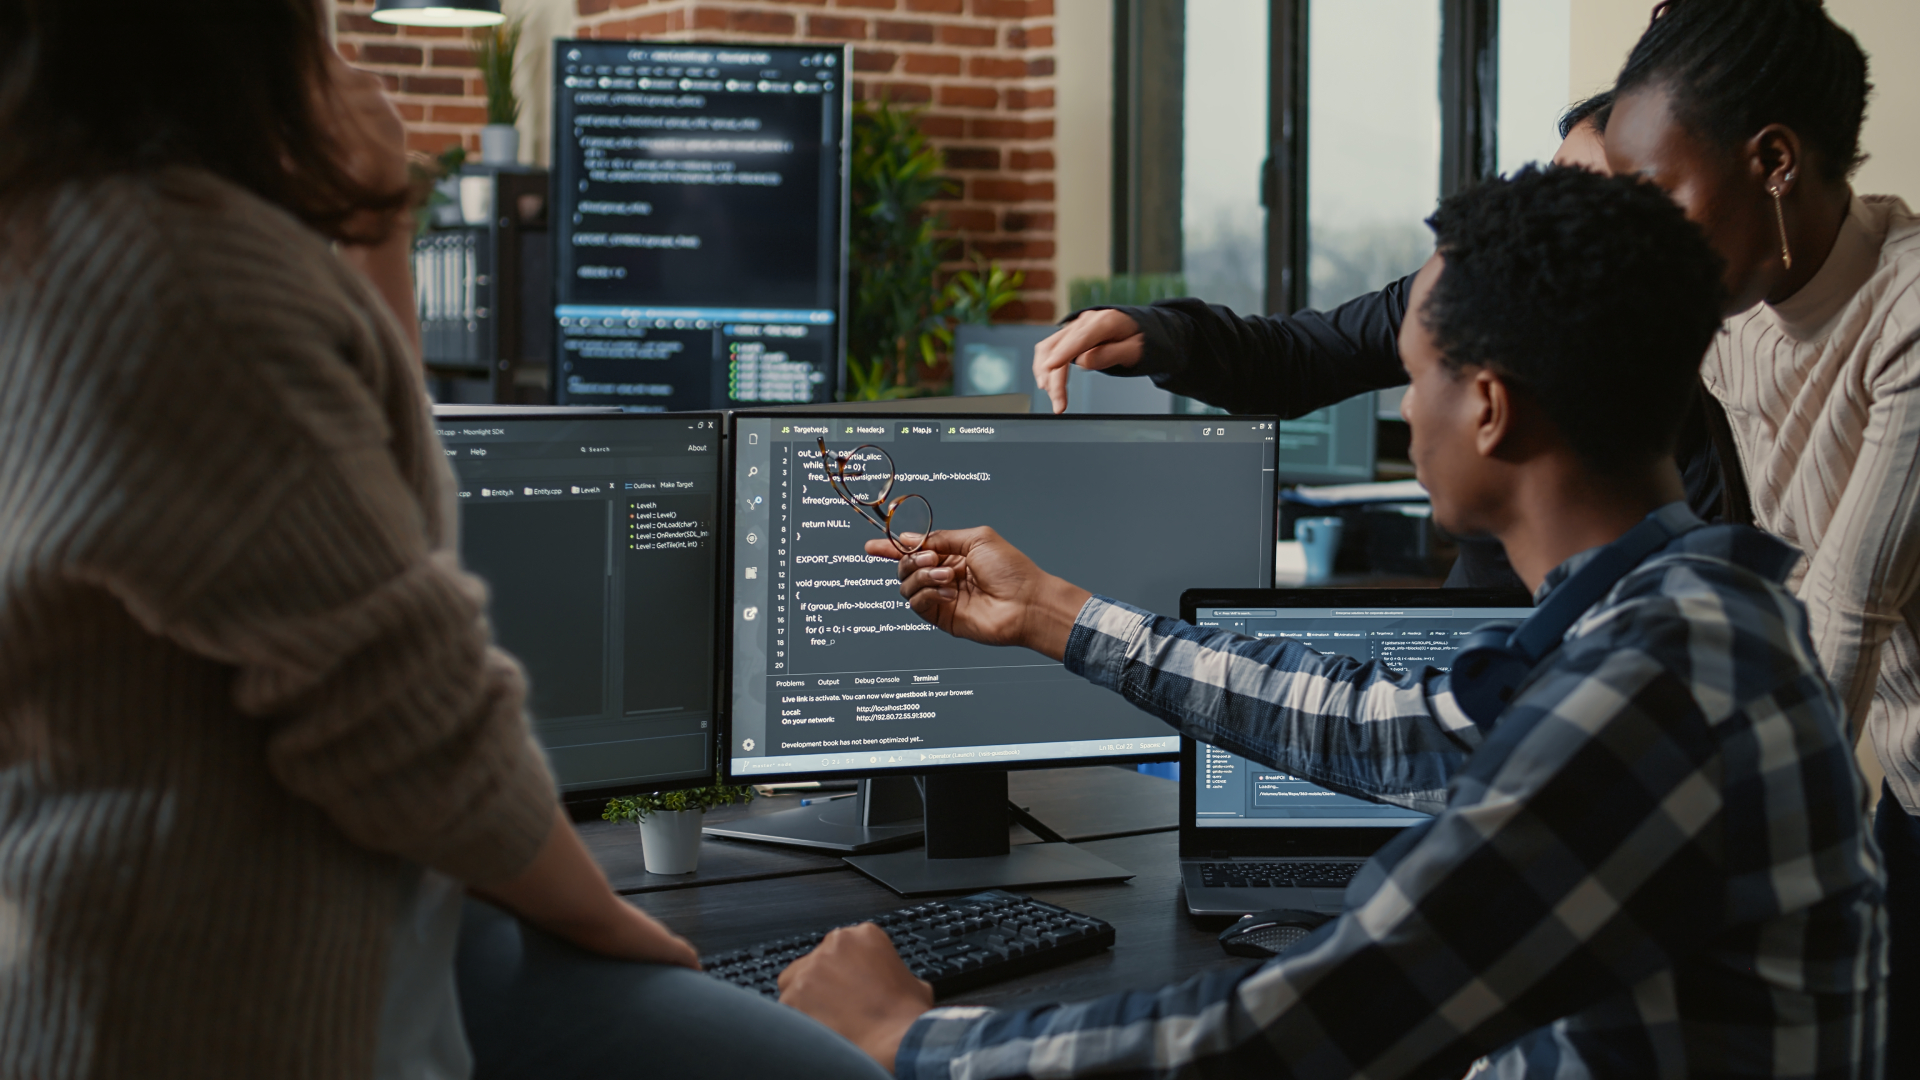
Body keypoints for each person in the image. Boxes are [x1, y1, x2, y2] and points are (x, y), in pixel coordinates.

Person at [780, 167, 1885, 1078]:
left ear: (1488, 408)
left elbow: (1303, 1031)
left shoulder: (1656, 694)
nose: (1402, 407)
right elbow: (1382, 726)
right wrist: (1052, 614)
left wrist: (908, 1040)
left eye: (1411, 376)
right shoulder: (1681, 619)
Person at [0, 2, 889, 1077]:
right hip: (218, 983)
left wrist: (375, 225)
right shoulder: (187, 274)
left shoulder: (91, 233)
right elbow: (415, 718)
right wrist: (614, 927)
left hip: (333, 915)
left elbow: (389, 496)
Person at [1031, 93, 1748, 592]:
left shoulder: (1717, 384)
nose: (1548, 218)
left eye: (1589, 199)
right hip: (1473, 653)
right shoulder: (1476, 291)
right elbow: (1297, 356)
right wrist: (1159, 335)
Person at [1598, 0, 1920, 1060]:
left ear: (1774, 160)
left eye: (1657, 195)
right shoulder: (1732, 303)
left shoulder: (1909, 311)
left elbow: (1846, 611)